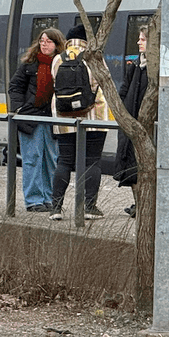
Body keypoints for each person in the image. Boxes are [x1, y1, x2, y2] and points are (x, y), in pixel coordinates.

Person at [50, 23, 109, 220]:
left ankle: (56, 208)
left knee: (64, 161)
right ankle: (90, 207)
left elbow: (54, 84)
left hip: (64, 117)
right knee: (92, 161)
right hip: (94, 117)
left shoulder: (58, 58)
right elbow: (103, 82)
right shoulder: (94, 57)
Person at [9, 28, 65, 213]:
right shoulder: (29, 65)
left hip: (52, 119)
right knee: (32, 158)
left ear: (57, 44)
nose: (44, 44)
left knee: (51, 160)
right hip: (30, 118)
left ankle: (48, 198)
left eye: (48, 41)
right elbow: (15, 87)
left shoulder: (62, 65)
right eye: (42, 41)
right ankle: (33, 200)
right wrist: (19, 108)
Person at [113, 27, 150, 218]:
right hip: (130, 125)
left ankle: (144, 205)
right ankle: (138, 203)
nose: (138, 42)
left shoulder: (154, 68)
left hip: (146, 128)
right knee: (131, 168)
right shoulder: (135, 65)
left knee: (143, 167)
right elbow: (124, 90)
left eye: (143, 39)